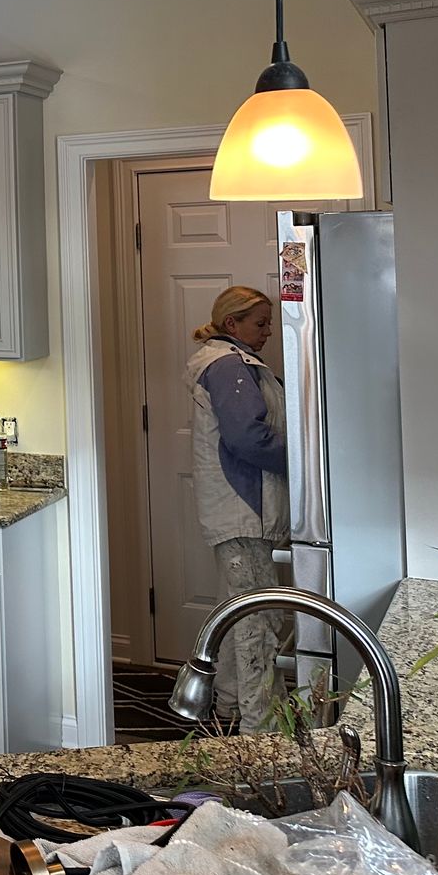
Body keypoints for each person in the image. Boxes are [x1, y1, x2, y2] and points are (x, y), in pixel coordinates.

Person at [184, 285, 290, 732]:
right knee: (257, 621)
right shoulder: (230, 366)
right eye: (260, 323)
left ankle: (227, 703)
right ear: (233, 324)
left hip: (236, 508)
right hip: (244, 509)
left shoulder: (225, 361)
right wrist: (307, 460)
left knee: (239, 609)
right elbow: (248, 439)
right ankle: (260, 732)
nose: (268, 332)